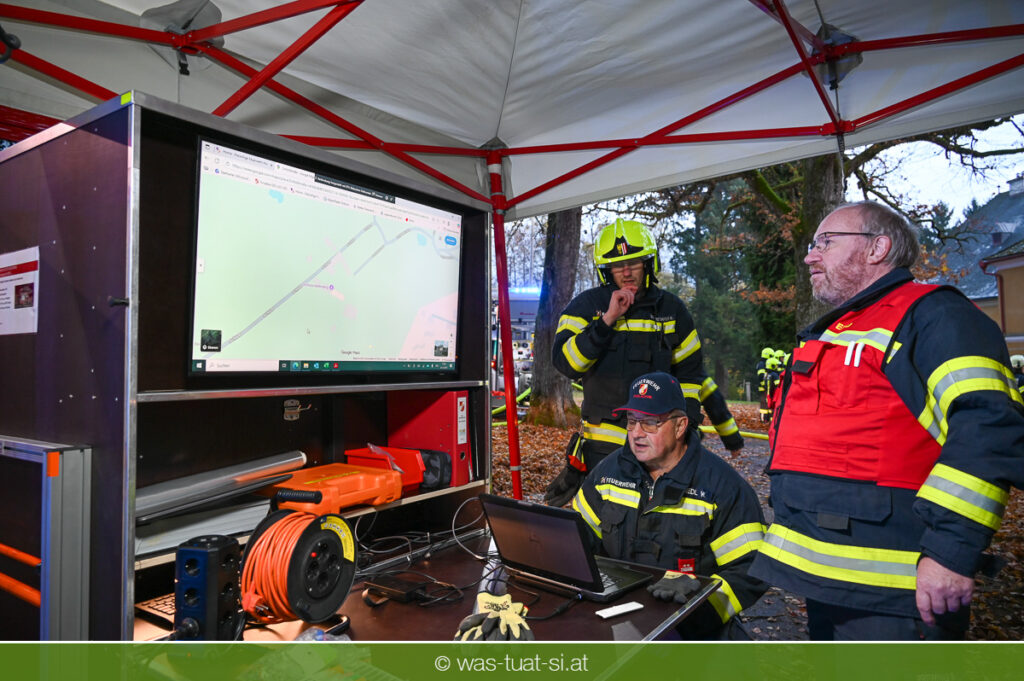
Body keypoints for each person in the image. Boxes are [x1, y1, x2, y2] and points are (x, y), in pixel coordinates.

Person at [749, 201, 1024, 640]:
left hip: (898, 594)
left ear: (877, 248)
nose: (810, 257)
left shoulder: (934, 315)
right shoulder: (843, 327)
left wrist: (950, 553)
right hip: (830, 582)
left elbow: (989, 429)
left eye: (826, 242)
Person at [544, 219, 744, 506]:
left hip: (661, 444)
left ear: (649, 263)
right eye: (617, 265)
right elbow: (566, 364)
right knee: (607, 520)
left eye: (634, 263)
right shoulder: (586, 307)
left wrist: (684, 430)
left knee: (660, 516)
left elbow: (691, 377)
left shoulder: (672, 311)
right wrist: (606, 321)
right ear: (606, 270)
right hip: (604, 447)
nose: (626, 272)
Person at [571, 371, 767, 639]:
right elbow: (577, 542)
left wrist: (696, 608)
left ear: (680, 426)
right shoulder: (608, 474)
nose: (636, 434)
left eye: (650, 423)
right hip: (618, 617)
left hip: (695, 629)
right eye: (632, 422)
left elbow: (751, 569)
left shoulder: (721, 487)